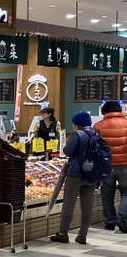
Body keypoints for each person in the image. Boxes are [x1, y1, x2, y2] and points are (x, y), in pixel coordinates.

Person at [51, 111, 98, 244]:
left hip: (75, 173)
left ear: (78, 124)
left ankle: (63, 233)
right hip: (91, 175)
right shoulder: (96, 134)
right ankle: (82, 235)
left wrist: (67, 142)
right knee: (87, 207)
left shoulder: (78, 134)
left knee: (68, 205)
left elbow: (68, 151)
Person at [93, 101, 127, 232]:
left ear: (104, 112)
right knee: (126, 192)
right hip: (125, 164)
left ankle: (110, 221)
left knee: (107, 194)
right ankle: (122, 218)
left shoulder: (98, 126)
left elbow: (94, 147)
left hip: (105, 165)